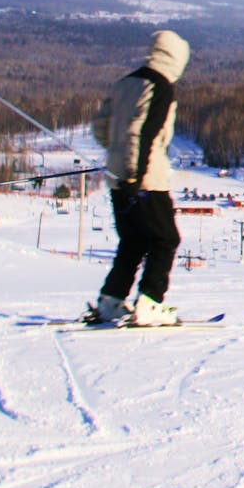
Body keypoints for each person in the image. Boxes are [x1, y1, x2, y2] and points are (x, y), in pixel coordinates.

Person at [89, 30, 190, 326]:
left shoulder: (125, 83)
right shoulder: (160, 86)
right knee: (165, 239)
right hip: (146, 178)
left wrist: (118, 157)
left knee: (132, 240)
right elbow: (142, 132)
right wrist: (136, 173)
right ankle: (150, 301)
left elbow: (101, 128)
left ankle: (111, 300)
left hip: (116, 175)